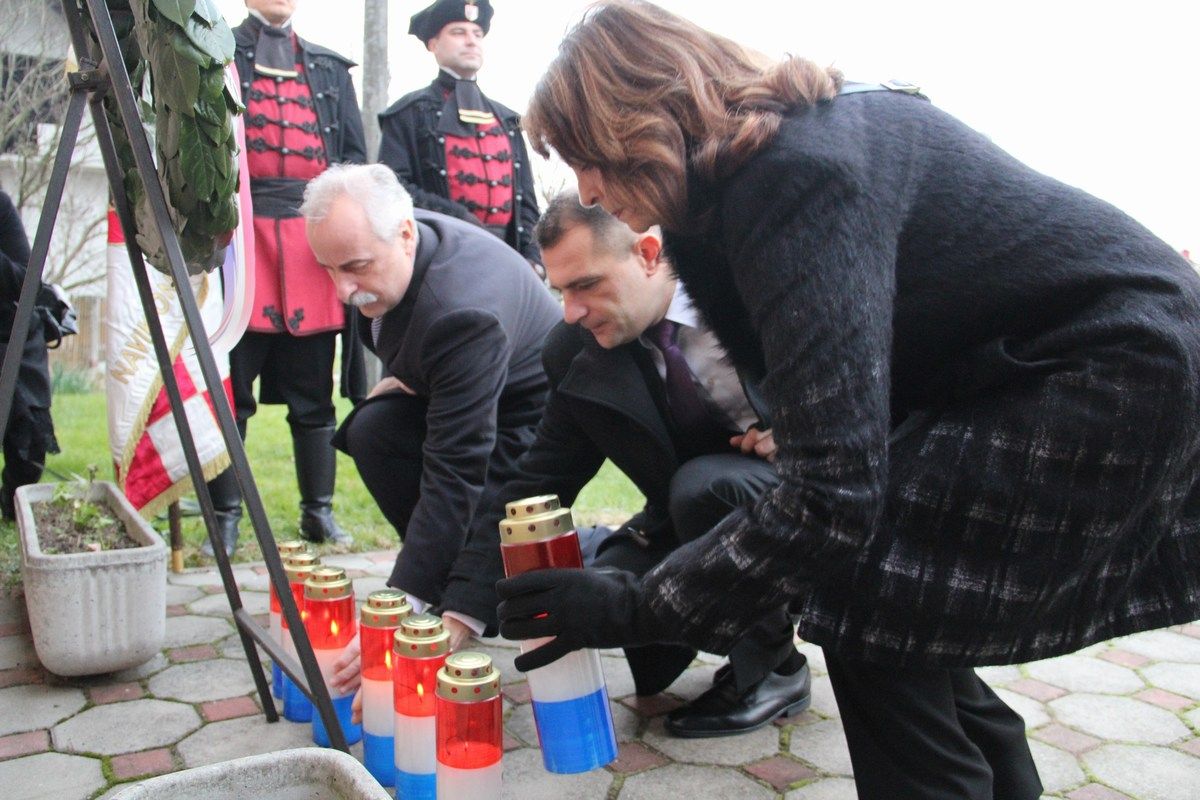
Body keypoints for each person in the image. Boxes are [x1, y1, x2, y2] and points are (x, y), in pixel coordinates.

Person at [496, 3, 1200, 798]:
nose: (585, 187)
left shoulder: (797, 172)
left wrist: (632, 605)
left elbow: (833, 498)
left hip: (1111, 370)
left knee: (867, 590)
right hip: (1035, 369)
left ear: (642, 114)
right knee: (901, 609)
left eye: (586, 156)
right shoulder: (740, 183)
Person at [472, 193, 812, 736]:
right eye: (560, 290)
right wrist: (460, 609)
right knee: (637, 648)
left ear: (649, 253)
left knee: (703, 489)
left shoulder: (752, 290)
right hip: (680, 510)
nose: (569, 311)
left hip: (804, 495)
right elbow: (540, 478)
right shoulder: (575, 347)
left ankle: (776, 667)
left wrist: (806, 432)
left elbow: (873, 388)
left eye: (585, 285)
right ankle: (622, 556)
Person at [299, 163, 559, 682]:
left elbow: (455, 471)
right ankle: (445, 579)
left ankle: (465, 597)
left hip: (533, 412)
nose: (343, 290)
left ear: (405, 234)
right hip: (475, 377)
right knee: (374, 429)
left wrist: (402, 602)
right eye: (328, 269)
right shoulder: (385, 243)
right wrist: (411, 376)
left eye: (354, 267)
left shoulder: (461, 313)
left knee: (470, 496)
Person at [205, 0, 367, 556]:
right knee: (230, 396)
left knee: (314, 397)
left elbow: (353, 163)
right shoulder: (211, 49)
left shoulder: (328, 69)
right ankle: (224, 517)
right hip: (238, 251)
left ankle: (317, 514)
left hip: (310, 254)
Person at [378, 0, 542, 271]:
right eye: (458, 32)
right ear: (433, 44)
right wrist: (458, 218)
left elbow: (526, 201)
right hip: (437, 261)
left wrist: (534, 259)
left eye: (477, 34)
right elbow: (392, 189)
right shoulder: (407, 114)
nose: (471, 41)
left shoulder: (507, 120)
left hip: (506, 262)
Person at [0, 189, 58, 520]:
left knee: (30, 447)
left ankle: (11, 504)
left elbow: (27, 279)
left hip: (12, 335)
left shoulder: (1, 206)